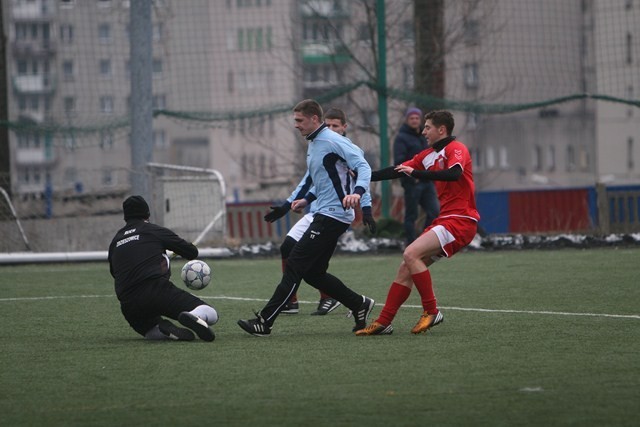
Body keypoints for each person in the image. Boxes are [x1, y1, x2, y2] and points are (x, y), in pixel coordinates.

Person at [238, 99, 375, 336]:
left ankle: (265, 321)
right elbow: (318, 179)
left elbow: (363, 166)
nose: (296, 125)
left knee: (295, 262)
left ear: (314, 119)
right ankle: (358, 304)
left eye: (299, 121)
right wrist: (296, 202)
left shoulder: (333, 140)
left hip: (333, 216)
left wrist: (359, 194)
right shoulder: (314, 142)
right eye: (295, 121)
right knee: (313, 273)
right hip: (324, 213)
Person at [356, 110, 479, 336]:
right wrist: (363, 175)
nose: (423, 132)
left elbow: (453, 174)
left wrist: (417, 174)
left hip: (461, 220)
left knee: (410, 253)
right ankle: (384, 322)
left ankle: (431, 311)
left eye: (427, 127)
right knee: (406, 268)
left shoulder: (457, 149)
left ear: (441, 130)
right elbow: (398, 170)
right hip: (446, 220)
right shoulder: (427, 155)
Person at [108, 195, 218, 342]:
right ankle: (196, 316)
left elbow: (115, 273)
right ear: (147, 214)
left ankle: (160, 329)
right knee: (211, 313)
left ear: (125, 217)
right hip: (156, 291)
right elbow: (192, 252)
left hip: (128, 304)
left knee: (148, 330)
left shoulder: (115, 241)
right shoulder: (153, 230)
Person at [394, 107, 440, 245]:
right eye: (411, 118)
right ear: (407, 120)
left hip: (427, 181)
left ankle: (423, 241)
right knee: (411, 215)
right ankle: (411, 243)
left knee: (434, 212)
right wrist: (412, 177)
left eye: (417, 118)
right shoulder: (401, 138)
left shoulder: (424, 136)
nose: (414, 121)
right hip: (412, 182)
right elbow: (399, 161)